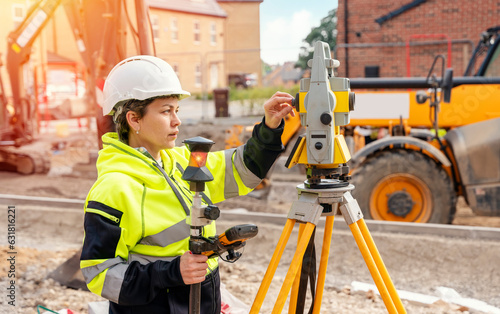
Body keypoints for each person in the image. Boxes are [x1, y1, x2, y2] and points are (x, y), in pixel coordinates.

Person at [79, 55, 295, 313]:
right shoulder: (115, 187)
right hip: (157, 305)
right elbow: (99, 274)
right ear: (134, 119)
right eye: (165, 111)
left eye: (176, 110)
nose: (176, 120)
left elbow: (241, 168)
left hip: (203, 295)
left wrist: (269, 127)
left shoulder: (183, 159)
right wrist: (169, 272)